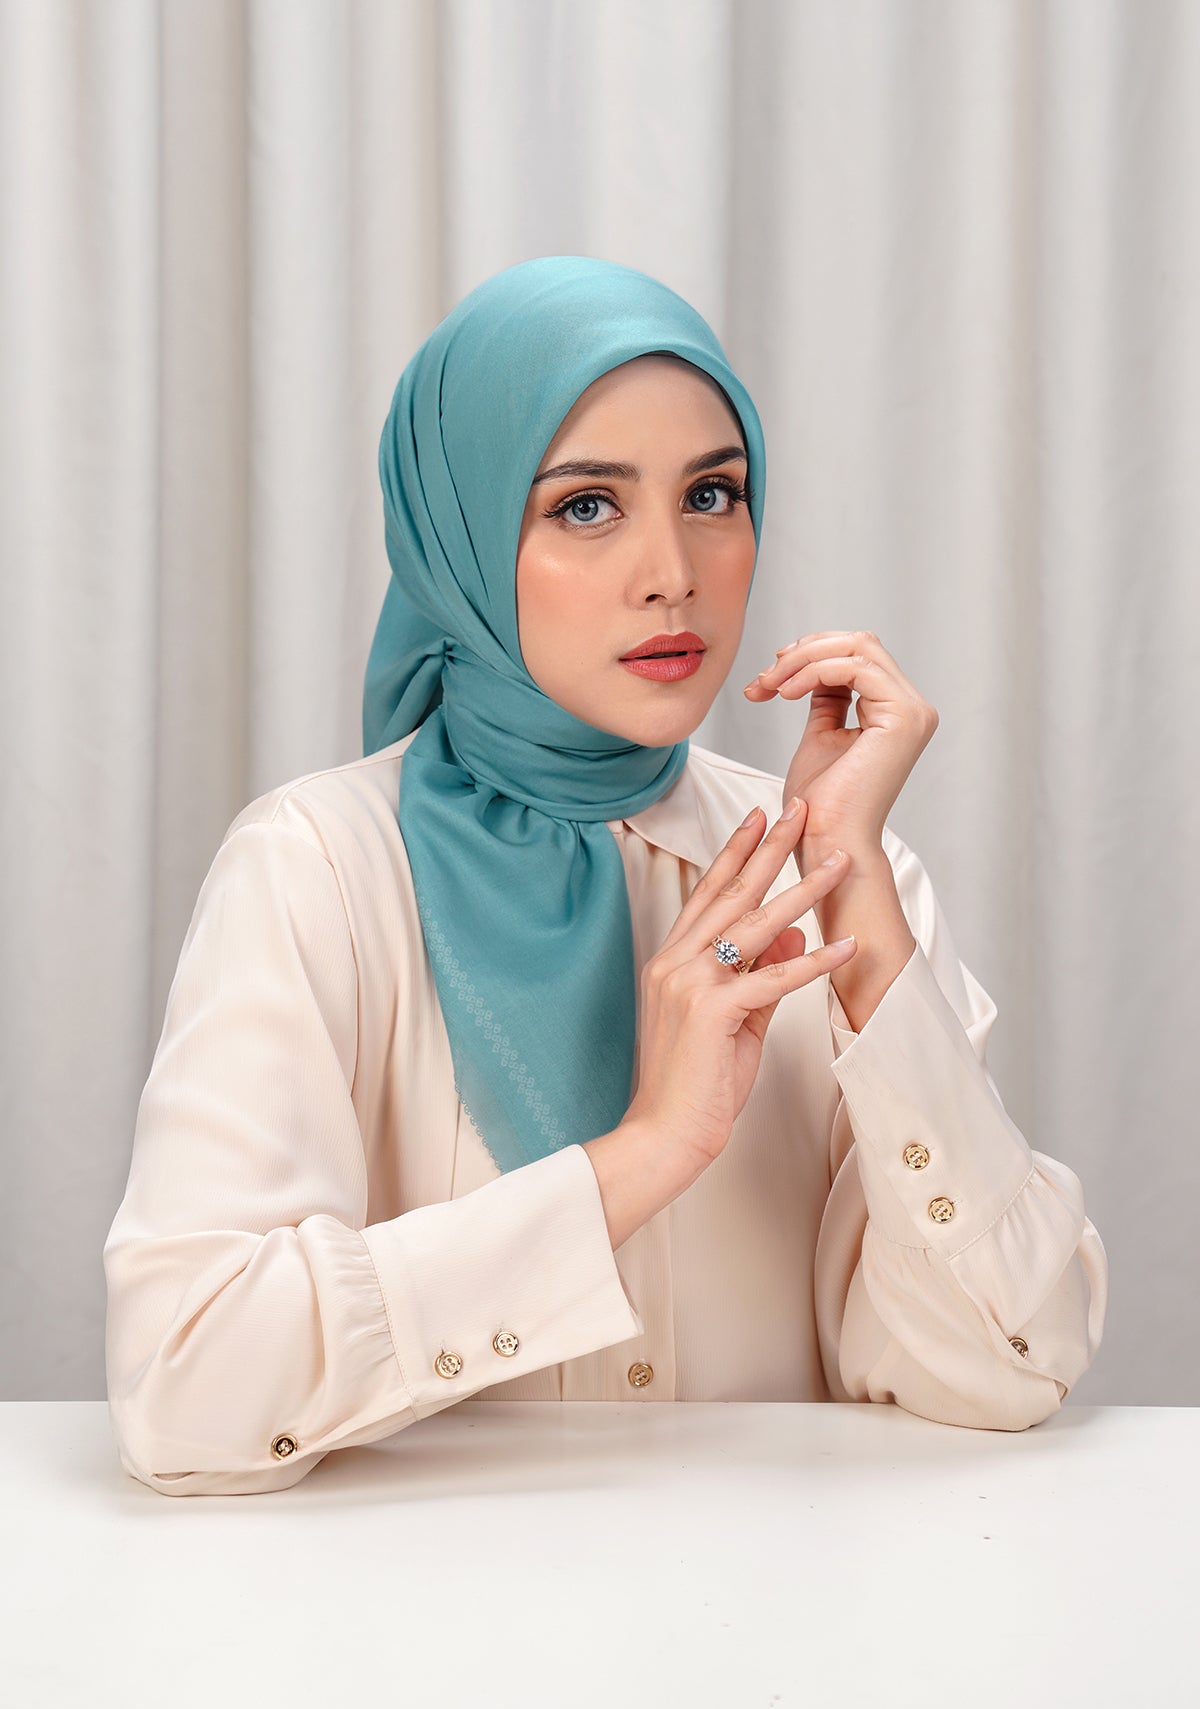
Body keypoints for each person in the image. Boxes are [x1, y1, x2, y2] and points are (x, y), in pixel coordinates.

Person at [102, 255, 1108, 1497]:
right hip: (412, 1612)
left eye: (712, 494)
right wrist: (645, 1154)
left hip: (782, 1609)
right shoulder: (319, 870)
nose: (672, 570)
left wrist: (857, 907)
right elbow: (187, 1396)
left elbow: (1009, 1369)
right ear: (463, 536)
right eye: (586, 506)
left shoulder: (832, 877)